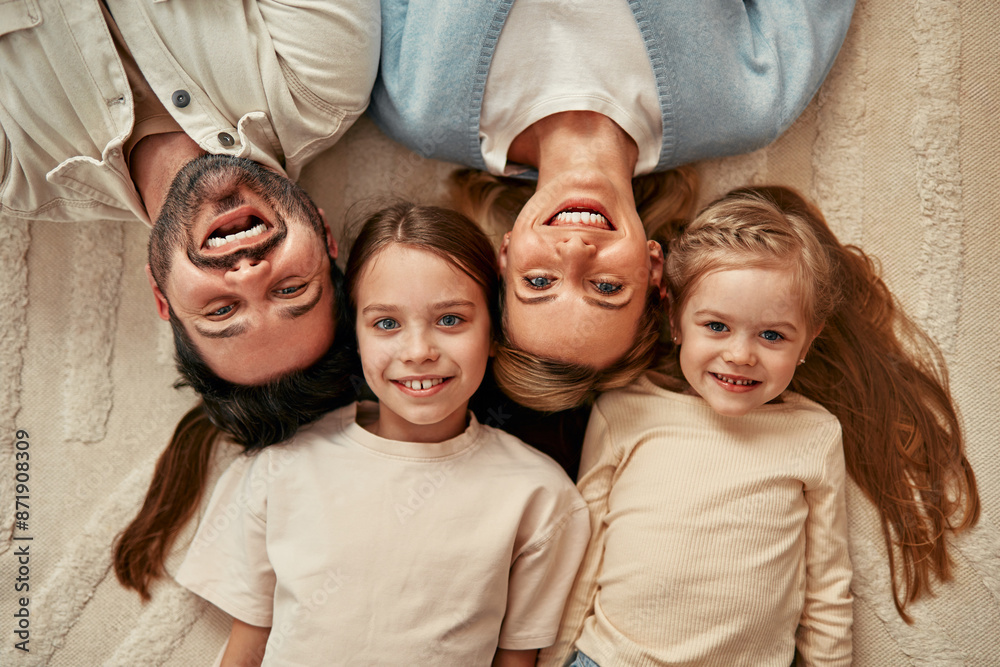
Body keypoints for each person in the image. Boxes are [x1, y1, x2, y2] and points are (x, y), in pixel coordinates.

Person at [540, 187, 980, 666]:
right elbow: (582, 556)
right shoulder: (625, 410)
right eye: (716, 326)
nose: (741, 354)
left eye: (772, 335)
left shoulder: (813, 434)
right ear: (676, 319)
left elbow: (828, 583)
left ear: (807, 341)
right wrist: (555, 658)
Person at [368, 0, 855, 410]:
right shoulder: (750, 102)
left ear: (506, 253)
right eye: (606, 286)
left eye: (538, 282)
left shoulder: (417, 105)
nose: (576, 250)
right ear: (653, 266)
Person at [173, 203, 591, 666]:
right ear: (355, 334)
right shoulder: (284, 465)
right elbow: (247, 649)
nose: (417, 352)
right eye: (386, 324)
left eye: (450, 320)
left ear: (496, 330)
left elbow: (517, 660)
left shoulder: (539, 495)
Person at [0, 0, 379, 386]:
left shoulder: (16, 173)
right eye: (291, 289)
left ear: (160, 294)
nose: (249, 274)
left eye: (221, 311)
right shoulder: (323, 87)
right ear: (325, 234)